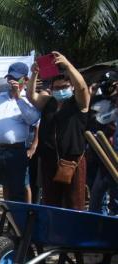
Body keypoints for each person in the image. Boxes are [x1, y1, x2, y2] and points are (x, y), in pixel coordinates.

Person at [0, 62, 40, 233]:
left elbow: (33, 119)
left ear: (25, 80)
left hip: (16, 151)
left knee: (17, 189)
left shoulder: (29, 99)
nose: (11, 82)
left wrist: (18, 97)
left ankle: (17, 226)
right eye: (9, 78)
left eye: (15, 79)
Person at [27, 51, 90, 210]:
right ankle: (53, 234)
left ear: (70, 86)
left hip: (72, 161)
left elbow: (82, 86)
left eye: (64, 86)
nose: (60, 90)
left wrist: (67, 65)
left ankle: (73, 234)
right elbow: (30, 96)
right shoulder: (49, 102)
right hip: (49, 160)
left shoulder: (79, 103)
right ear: (52, 89)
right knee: (51, 203)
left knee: (74, 204)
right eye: (57, 87)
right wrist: (34, 74)